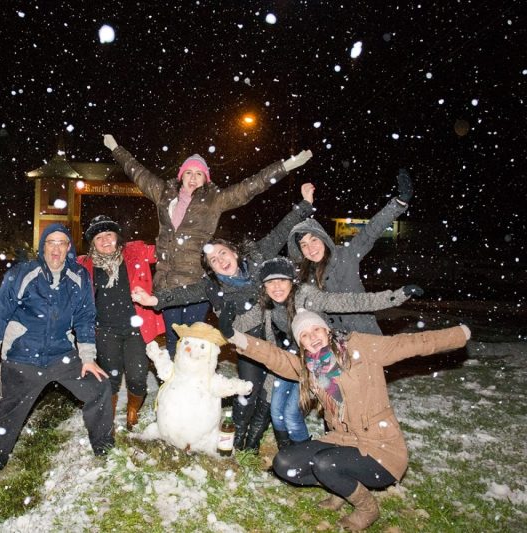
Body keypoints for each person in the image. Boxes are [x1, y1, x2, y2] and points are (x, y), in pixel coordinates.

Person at [133, 254, 423, 453]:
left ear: (291, 281)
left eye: (281, 281)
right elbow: (243, 326)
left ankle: (306, 454)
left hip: (318, 360)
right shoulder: (266, 305)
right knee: (276, 411)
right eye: (270, 283)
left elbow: (351, 301)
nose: (276, 287)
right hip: (287, 362)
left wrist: (396, 295)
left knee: (297, 415)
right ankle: (279, 452)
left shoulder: (308, 296)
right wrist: (226, 327)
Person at [218, 308, 470, 531]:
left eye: (316, 329)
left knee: (325, 463)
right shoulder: (309, 367)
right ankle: (340, 487)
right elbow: (275, 357)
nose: (312, 337)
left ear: (328, 331)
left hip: (381, 448)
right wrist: (237, 337)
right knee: (285, 464)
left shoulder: (360, 348)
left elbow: (409, 343)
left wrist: (459, 334)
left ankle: (367, 509)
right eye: (304, 335)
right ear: (301, 343)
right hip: (342, 440)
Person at [131, 182, 316, 451]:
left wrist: (304, 206)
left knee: (270, 390)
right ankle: (238, 439)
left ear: (234, 252)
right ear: (212, 270)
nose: (220, 261)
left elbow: (279, 233)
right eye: (214, 261)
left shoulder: (256, 259)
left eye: (222, 254)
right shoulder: (213, 286)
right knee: (249, 389)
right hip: (247, 342)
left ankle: (253, 440)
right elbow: (185, 293)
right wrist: (155, 300)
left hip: (277, 333)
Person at [104, 133, 312, 357]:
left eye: (199, 174)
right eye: (189, 173)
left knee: (193, 344)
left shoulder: (215, 199)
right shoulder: (163, 193)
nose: (193, 178)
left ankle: (195, 387)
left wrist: (287, 165)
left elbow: (251, 186)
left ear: (206, 178)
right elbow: (137, 172)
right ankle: (177, 389)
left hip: (196, 285)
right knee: (174, 343)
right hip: (166, 284)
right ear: (181, 176)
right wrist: (116, 148)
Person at [0, 223, 114, 479]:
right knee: (9, 413)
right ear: (43, 247)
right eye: (51, 242)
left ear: (68, 248)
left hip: (61, 356)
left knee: (100, 386)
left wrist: (88, 359)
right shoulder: (22, 273)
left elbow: (85, 317)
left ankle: (104, 449)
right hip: (23, 358)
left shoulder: (79, 277)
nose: (56, 248)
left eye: (62, 243)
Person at [287, 169, 413, 334]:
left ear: (323, 239)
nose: (310, 248)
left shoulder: (346, 255)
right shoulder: (303, 276)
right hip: (331, 344)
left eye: (314, 240)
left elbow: (371, 231)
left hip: (366, 336)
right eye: (303, 245)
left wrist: (398, 204)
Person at [77, 215, 165, 430]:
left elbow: (169, 252)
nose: (105, 240)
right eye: (99, 237)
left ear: (117, 237)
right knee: (110, 378)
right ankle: (109, 414)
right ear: (93, 243)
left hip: (136, 329)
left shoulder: (136, 252)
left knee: (137, 377)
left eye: (109, 234)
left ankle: (133, 411)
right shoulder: (84, 265)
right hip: (105, 330)